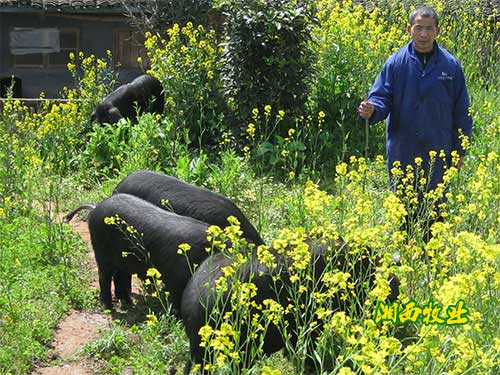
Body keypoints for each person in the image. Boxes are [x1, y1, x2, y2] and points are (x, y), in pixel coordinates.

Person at [358, 5, 473, 240]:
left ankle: (433, 258)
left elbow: (462, 111)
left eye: (429, 29)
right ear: (410, 29)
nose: (423, 34)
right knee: (404, 204)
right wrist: (372, 109)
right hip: (404, 148)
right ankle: (406, 252)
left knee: (436, 204)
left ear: (437, 31)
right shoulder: (395, 63)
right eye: (418, 28)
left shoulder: (450, 66)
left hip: (438, 148)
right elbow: (381, 97)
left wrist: (460, 150)